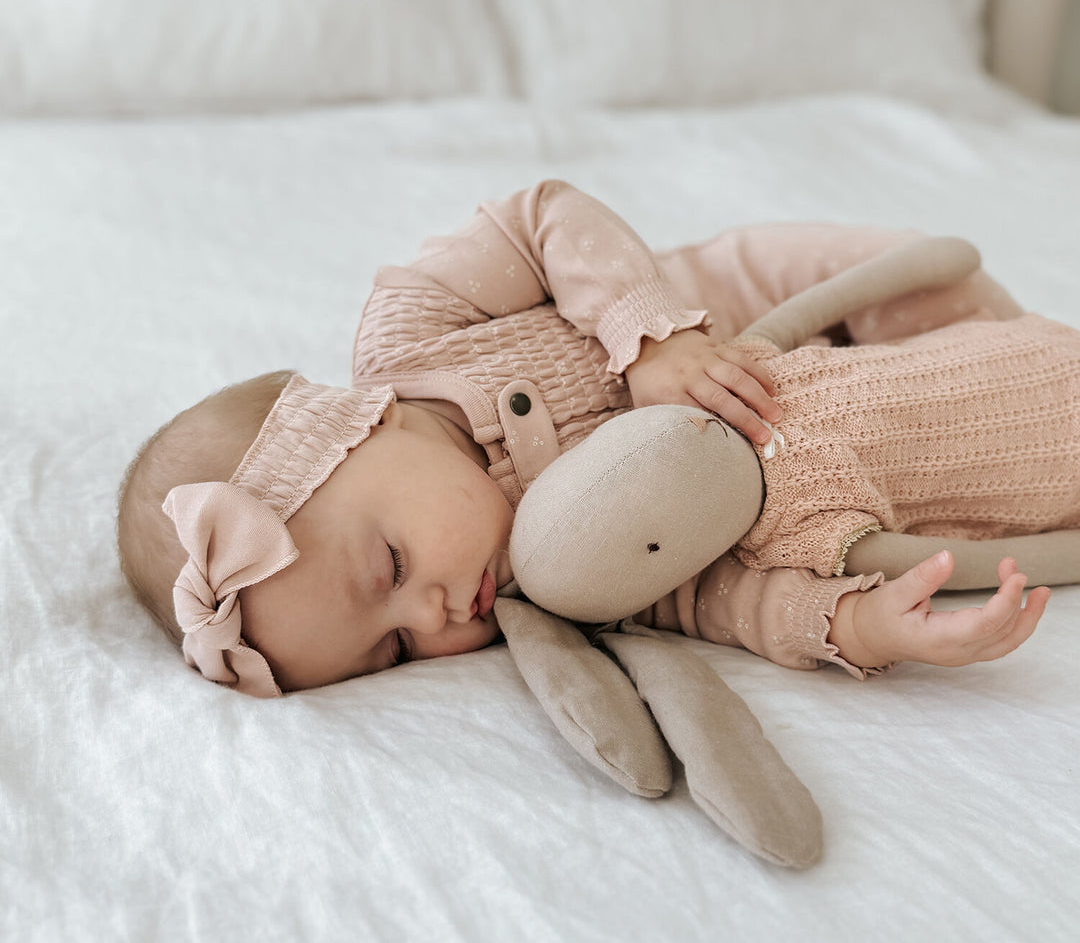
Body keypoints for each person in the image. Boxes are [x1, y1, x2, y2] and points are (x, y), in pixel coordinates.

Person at [117, 179, 1045, 698]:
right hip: (822, 441)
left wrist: (652, 339)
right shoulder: (545, 575)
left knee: (918, 288)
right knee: (978, 450)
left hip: (743, 299)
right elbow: (707, 600)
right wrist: (851, 626)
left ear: (362, 424)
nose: (434, 618)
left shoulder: (413, 332)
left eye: (392, 570)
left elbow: (542, 216)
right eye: (394, 652)